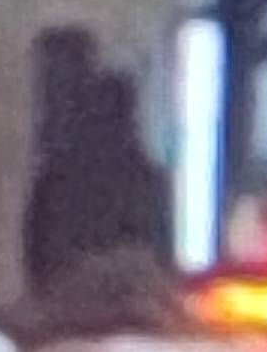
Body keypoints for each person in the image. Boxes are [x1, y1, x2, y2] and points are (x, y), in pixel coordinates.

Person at [18, 64, 170, 301]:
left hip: (71, 297)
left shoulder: (57, 175)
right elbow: (159, 247)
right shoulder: (148, 177)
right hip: (124, 296)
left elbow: (37, 250)